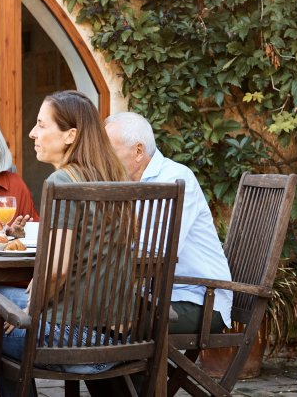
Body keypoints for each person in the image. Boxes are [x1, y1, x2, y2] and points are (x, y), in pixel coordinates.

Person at [0, 91, 130, 395]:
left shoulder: (63, 183)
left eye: (41, 125)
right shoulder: (112, 177)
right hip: (117, 337)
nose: (32, 133)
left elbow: (56, 269)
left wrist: (32, 309)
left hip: (74, 342)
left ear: (70, 135)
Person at [105, 112, 232, 392]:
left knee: (107, 324)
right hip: (158, 296)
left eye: (109, 150)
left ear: (138, 150)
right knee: (93, 322)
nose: (104, 158)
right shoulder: (129, 185)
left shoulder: (175, 179)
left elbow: (158, 252)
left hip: (199, 300)